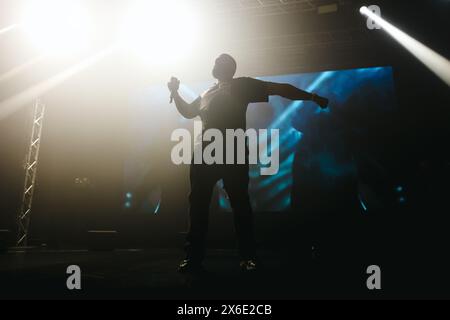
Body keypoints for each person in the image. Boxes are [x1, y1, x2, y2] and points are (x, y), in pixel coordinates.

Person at [168, 53, 328, 274]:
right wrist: (175, 92)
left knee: (240, 205)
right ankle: (194, 258)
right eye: (216, 62)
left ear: (227, 68)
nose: (215, 65)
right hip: (204, 154)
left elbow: (279, 88)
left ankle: (247, 257)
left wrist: (311, 96)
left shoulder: (242, 85)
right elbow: (188, 112)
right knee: (198, 206)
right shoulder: (206, 92)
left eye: (220, 62)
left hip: (232, 151)